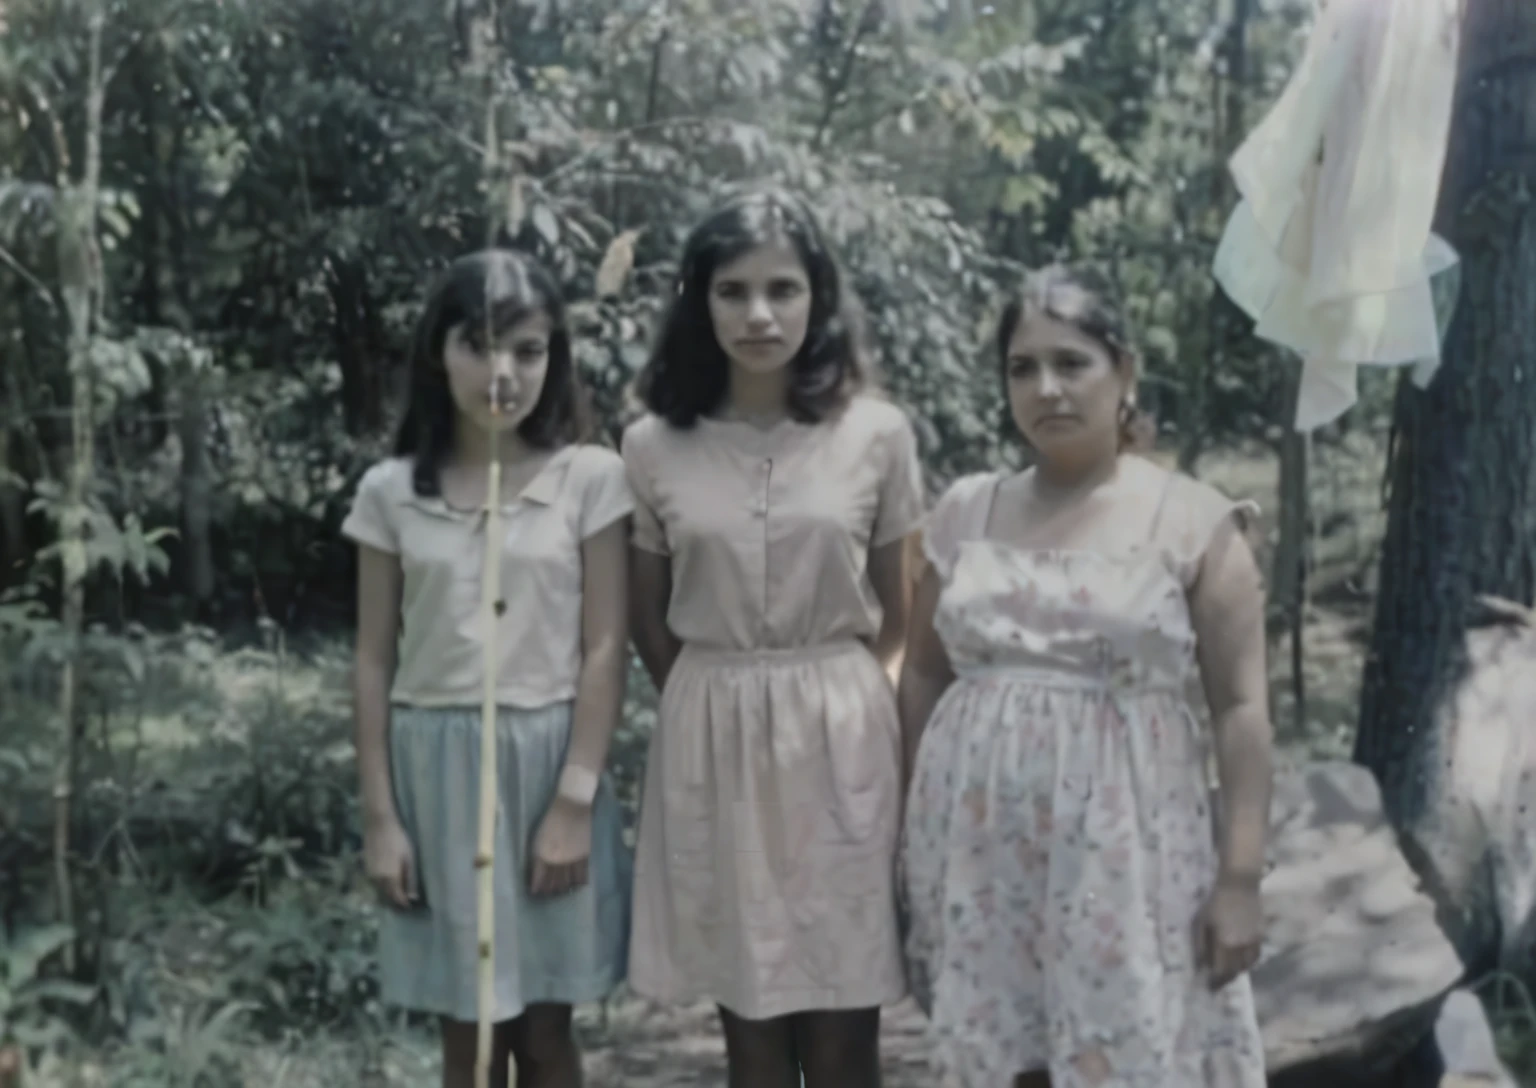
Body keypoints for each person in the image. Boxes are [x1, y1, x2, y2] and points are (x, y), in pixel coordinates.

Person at [898, 264, 1272, 1088]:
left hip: (1127, 851)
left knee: (1123, 1050)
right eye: (1022, 367)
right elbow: (922, 674)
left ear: (1124, 372)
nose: (1047, 388)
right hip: (978, 853)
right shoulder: (965, 511)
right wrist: (912, 831)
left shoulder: (1193, 520)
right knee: (1001, 1059)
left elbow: (1241, 708)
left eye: (1072, 363)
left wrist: (1240, 878)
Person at [623, 188, 926, 1088]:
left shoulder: (876, 434)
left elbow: (902, 614)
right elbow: (648, 620)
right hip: (712, 737)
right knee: (750, 1029)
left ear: (817, 297)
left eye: (783, 290)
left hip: (843, 729)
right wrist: (725, 700)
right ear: (699, 300)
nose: (759, 314)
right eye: (733, 291)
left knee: (843, 1029)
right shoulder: (652, 444)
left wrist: (853, 717)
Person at [343, 248, 633, 1088]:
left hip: (550, 769)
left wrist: (575, 798)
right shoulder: (391, 491)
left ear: (556, 356)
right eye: (477, 344)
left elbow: (605, 646)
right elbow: (370, 660)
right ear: (440, 351)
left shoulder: (591, 478)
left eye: (527, 350)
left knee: (545, 1034)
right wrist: (381, 819)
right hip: (436, 778)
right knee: (469, 1044)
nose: (502, 372)